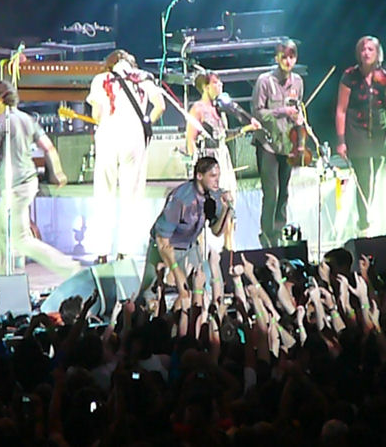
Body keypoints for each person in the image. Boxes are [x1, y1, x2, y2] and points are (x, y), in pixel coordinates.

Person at [0, 80, 80, 279]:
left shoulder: (0, 123)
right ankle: (0, 278)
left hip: (15, 186)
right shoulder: (27, 119)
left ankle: (69, 268)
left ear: (1, 99)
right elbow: (49, 147)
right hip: (27, 182)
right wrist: (58, 172)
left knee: (22, 239)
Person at [85, 49, 165, 264]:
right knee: (131, 195)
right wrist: (145, 122)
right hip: (134, 138)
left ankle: (101, 252)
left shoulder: (101, 79)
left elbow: (96, 114)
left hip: (108, 136)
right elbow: (160, 106)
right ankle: (124, 252)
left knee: (104, 193)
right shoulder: (143, 77)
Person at [185, 72, 261, 302]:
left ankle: (229, 254)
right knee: (205, 207)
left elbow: (223, 137)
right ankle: (200, 263)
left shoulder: (220, 110)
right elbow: (190, 139)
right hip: (208, 160)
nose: (220, 86)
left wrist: (245, 129)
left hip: (222, 158)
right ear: (206, 86)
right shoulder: (197, 109)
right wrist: (197, 168)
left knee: (229, 204)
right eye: (216, 83)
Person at [335, 35, 386, 235]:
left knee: (376, 177)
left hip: (379, 131)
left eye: (370, 49)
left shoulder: (385, 77)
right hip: (356, 131)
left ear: (378, 53)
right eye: (363, 49)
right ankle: (363, 224)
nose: (366, 53)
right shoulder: (350, 76)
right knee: (364, 177)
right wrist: (341, 141)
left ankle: (369, 216)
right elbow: (341, 110)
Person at [138, 156, 234, 307]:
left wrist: (225, 211)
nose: (217, 181)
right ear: (199, 176)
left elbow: (216, 231)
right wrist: (175, 271)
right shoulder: (181, 199)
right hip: (165, 246)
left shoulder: (214, 196)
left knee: (197, 288)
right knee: (150, 293)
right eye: (212, 176)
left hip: (189, 245)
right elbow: (162, 241)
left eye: (218, 176)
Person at [251, 39, 305, 248]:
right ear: (277, 58)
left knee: (284, 192)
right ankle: (267, 237)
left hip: (287, 144)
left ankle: (279, 234)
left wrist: (298, 118)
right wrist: (282, 111)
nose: (288, 61)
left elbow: (298, 107)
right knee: (271, 193)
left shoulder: (298, 82)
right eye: (284, 57)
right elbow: (258, 112)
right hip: (267, 144)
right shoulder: (265, 81)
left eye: (291, 57)